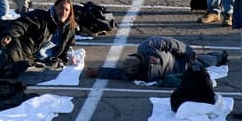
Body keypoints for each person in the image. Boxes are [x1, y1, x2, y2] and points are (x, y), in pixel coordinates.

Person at [0, 0, 77, 79]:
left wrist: (69, 56)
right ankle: (2, 66)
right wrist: (9, 35)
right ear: (55, 7)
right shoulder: (40, 17)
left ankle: (12, 67)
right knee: (14, 45)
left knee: (23, 64)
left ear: (70, 13)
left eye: (66, 10)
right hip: (27, 49)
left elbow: (69, 45)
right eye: (61, 8)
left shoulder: (69, 28)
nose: (63, 12)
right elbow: (21, 24)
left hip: (40, 59)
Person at [86, 36, 226, 82]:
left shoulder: (147, 47)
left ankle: (221, 56)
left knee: (211, 60)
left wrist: (188, 52)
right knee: (204, 66)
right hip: (182, 73)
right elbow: (116, 74)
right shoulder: (137, 74)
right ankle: (218, 57)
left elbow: (170, 43)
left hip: (185, 60)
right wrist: (97, 72)